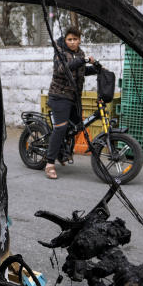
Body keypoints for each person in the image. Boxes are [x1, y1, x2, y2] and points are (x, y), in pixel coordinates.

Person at [44, 26, 99, 179]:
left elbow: (80, 70)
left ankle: (62, 153)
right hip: (59, 96)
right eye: (70, 39)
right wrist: (83, 60)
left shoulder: (79, 53)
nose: (73, 42)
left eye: (76, 39)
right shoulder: (60, 53)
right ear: (65, 40)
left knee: (75, 127)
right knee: (61, 129)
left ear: (79, 40)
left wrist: (95, 69)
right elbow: (63, 69)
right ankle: (49, 164)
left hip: (74, 97)